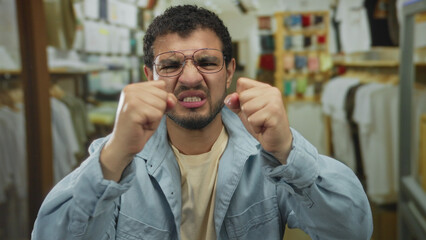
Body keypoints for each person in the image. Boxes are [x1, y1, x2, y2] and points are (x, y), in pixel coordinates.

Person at [32, 5, 373, 240]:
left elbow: (353, 230)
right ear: (149, 76)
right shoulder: (116, 158)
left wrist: (287, 150)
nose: (191, 78)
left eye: (207, 61)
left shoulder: (269, 155)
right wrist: (114, 156)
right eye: (170, 65)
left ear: (229, 72)